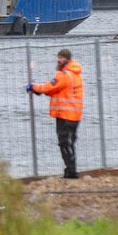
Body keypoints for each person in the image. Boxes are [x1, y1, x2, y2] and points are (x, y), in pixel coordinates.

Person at [27, 48, 84, 179]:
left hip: (65, 114)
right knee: (69, 142)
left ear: (67, 59)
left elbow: (50, 87)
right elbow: (55, 90)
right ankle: (71, 169)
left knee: (64, 143)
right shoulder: (76, 74)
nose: (59, 60)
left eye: (61, 58)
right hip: (75, 114)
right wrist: (44, 90)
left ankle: (71, 171)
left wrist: (33, 87)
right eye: (58, 57)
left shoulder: (64, 75)